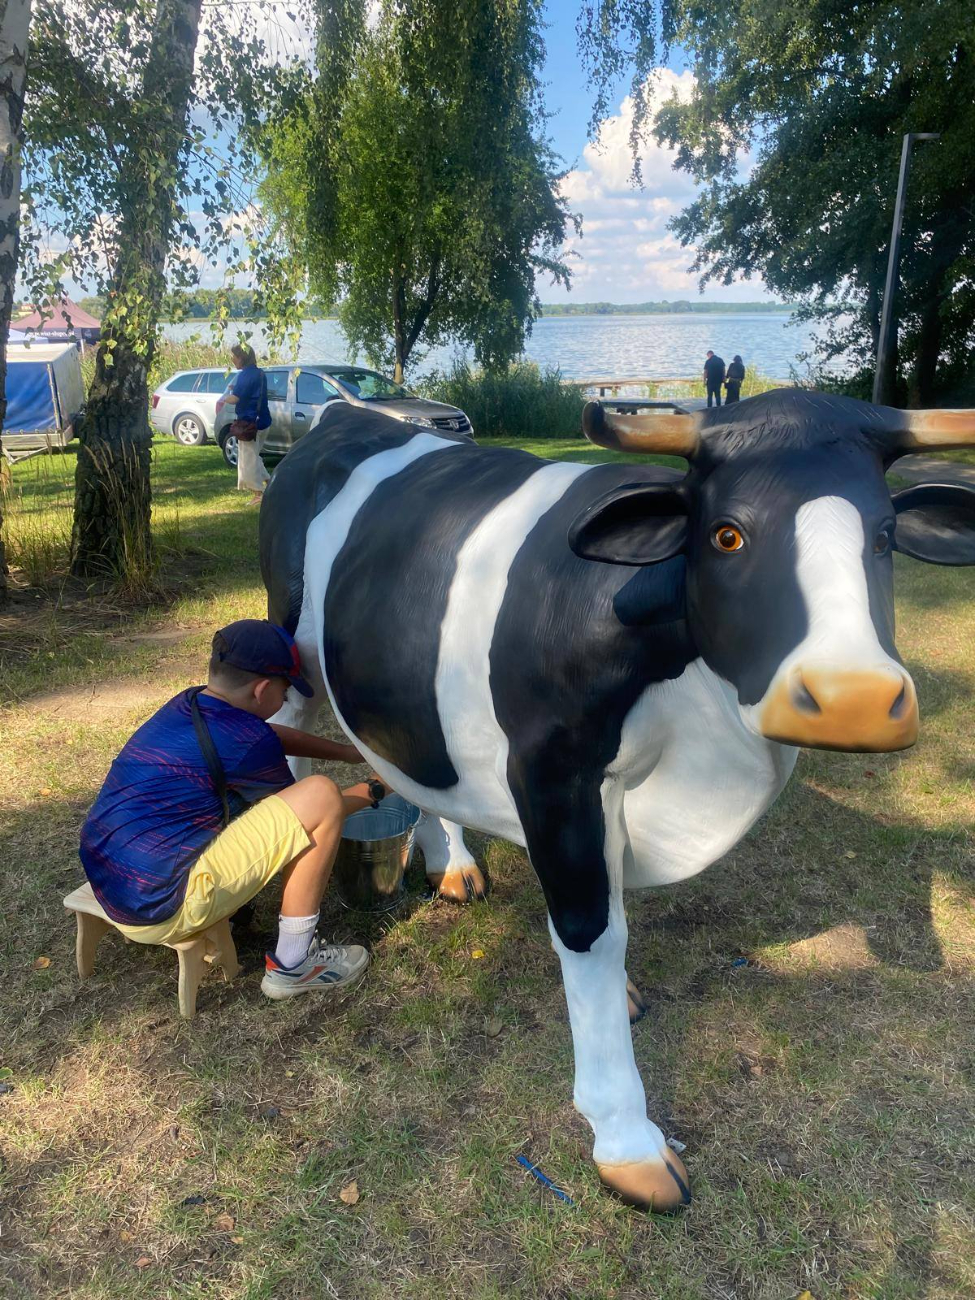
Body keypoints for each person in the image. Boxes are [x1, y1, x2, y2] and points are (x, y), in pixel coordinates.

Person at [79, 619, 386, 999]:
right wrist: (377, 787)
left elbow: (267, 735)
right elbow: (311, 816)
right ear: (261, 690)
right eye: (286, 692)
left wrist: (344, 752)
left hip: (110, 880)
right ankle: (294, 964)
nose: (286, 701)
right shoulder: (246, 741)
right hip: (160, 907)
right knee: (320, 794)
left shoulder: (190, 702)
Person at [224, 343, 271, 504]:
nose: (232, 360)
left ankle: (258, 493)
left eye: (234, 357)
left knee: (248, 459)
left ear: (242, 358)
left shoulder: (245, 375)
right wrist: (235, 388)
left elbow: (235, 398)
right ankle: (269, 482)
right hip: (263, 420)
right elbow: (252, 392)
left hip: (250, 424)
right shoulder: (259, 373)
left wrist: (223, 397)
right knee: (254, 455)